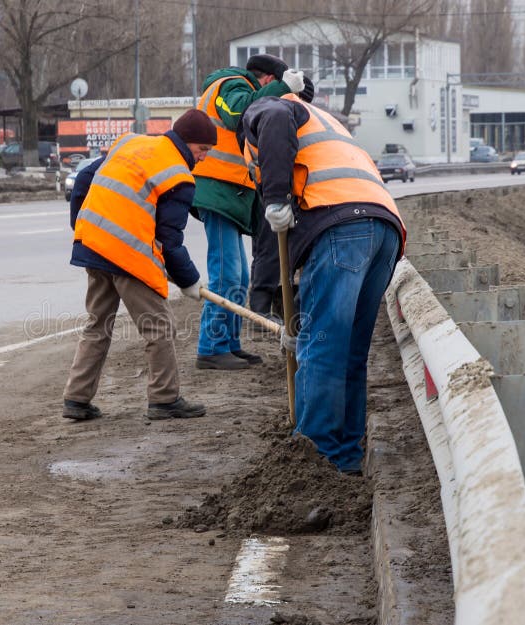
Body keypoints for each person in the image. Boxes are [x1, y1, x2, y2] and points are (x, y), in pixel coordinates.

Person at [239, 89, 407, 474]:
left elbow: (275, 128)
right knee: (348, 352)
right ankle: (345, 455)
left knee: (324, 350)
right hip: (384, 231)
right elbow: (272, 242)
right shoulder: (324, 121)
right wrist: (290, 320)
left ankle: (314, 463)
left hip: (342, 226)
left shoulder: (267, 110)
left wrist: (277, 196)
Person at [63, 109, 216, 422]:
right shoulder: (178, 176)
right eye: (203, 151)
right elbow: (170, 241)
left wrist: (84, 225)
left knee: (98, 323)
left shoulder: (130, 142)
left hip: (93, 244)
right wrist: (190, 281)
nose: (202, 159)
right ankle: (165, 399)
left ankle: (76, 400)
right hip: (127, 255)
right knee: (159, 326)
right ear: (188, 144)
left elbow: (83, 180)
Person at [192, 54, 307, 370]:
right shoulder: (229, 84)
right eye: (277, 87)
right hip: (216, 191)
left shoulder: (244, 87)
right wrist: (284, 88)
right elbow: (239, 114)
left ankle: (228, 343)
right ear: (268, 80)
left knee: (239, 275)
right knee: (226, 272)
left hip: (229, 193)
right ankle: (211, 347)